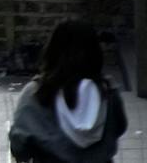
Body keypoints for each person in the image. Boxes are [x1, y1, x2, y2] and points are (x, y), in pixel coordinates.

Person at [8, 19, 130, 163]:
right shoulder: (108, 92)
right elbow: (119, 127)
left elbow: (19, 144)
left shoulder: (36, 93)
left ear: (52, 51)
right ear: (95, 53)